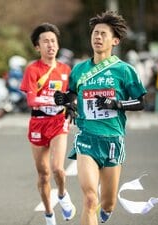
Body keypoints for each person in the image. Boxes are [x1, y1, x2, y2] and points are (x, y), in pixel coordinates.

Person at [54, 11, 147, 225]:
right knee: (89, 199)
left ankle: (106, 210)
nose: (97, 37)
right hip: (87, 139)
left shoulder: (125, 71)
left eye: (103, 34)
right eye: (95, 33)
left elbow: (141, 102)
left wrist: (116, 104)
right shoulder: (79, 70)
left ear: (115, 40)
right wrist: (63, 99)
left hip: (113, 140)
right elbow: (72, 95)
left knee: (107, 203)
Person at [20, 23, 76, 225]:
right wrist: (54, 100)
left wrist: (70, 105)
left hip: (58, 122)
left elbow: (71, 95)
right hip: (37, 123)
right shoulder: (32, 69)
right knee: (43, 174)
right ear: (37, 47)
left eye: (53, 41)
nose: (50, 45)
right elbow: (31, 100)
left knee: (57, 169)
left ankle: (62, 194)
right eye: (45, 41)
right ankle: (49, 213)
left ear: (58, 45)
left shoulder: (65, 69)